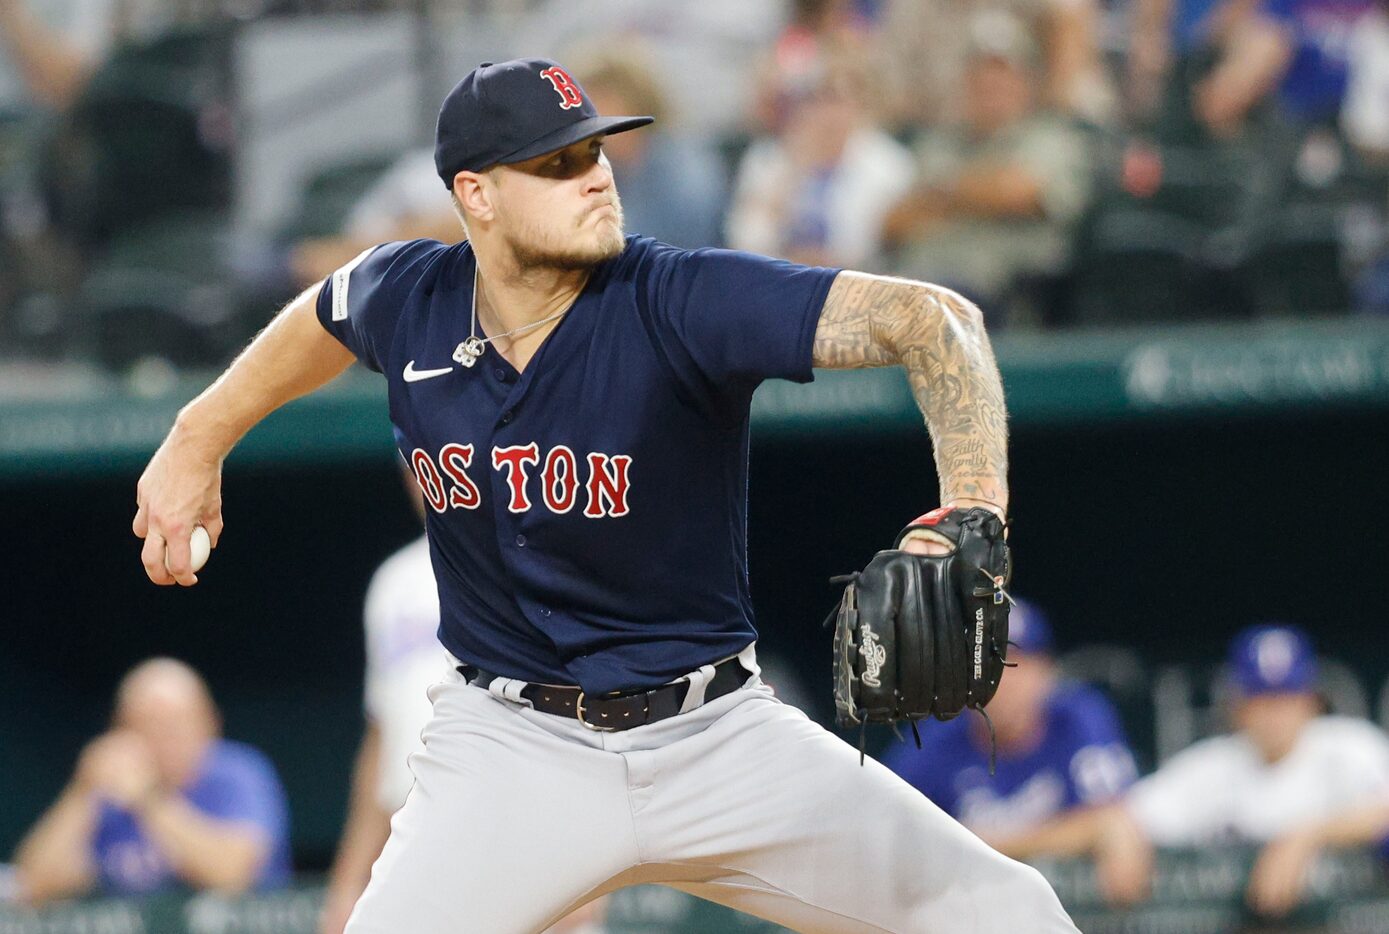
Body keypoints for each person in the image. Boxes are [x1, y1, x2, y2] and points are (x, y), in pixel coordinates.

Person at [132, 57, 1077, 932]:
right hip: (509, 750)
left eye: (594, 147)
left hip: (717, 736)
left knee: (1004, 910)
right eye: (556, 160)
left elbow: (932, 318)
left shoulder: (676, 296)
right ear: (476, 195)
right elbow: (325, 312)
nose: (596, 173)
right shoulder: (408, 296)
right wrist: (196, 436)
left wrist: (971, 512)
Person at [319, 471, 606, 934]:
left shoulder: (541, 567)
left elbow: (590, 721)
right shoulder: (393, 583)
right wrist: (349, 884)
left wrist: (588, 873)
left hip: (523, 844)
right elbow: (382, 744)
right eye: (419, 463)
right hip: (420, 852)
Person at [1102, 624, 1389, 917]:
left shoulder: (1351, 747)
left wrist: (1306, 836)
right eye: (1261, 699)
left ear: (1311, 701)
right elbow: (1125, 814)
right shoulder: (1211, 766)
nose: (1274, 714)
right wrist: (1120, 833)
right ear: (1237, 705)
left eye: (1285, 697)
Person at [883, 600, 1140, 885]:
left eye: (1014, 664)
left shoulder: (1077, 716)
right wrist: (1069, 835)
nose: (1000, 680)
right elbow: (886, 833)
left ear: (1045, 672)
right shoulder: (937, 738)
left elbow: (1113, 819)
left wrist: (985, 844)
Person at [11, 657, 291, 905]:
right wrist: (82, 793)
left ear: (209, 723)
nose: (162, 739)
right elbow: (33, 885)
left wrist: (148, 799)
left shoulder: (237, 773)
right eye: (145, 725)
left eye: (174, 724)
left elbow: (232, 876)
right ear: (119, 730)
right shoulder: (109, 794)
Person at [881, 11, 1092, 322]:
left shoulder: (1050, 137)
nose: (991, 83)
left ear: (1027, 82)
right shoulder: (939, 143)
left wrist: (942, 194)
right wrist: (976, 196)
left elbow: (1019, 192)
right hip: (917, 286)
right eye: (981, 73)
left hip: (1003, 296)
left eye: (1004, 72)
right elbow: (893, 222)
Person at [726, 48, 913, 269]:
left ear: (861, 104)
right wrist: (794, 172)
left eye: (837, 99)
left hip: (858, 287)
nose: (826, 111)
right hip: (778, 280)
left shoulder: (889, 164)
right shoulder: (768, 158)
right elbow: (745, 240)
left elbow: (863, 246)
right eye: (815, 99)